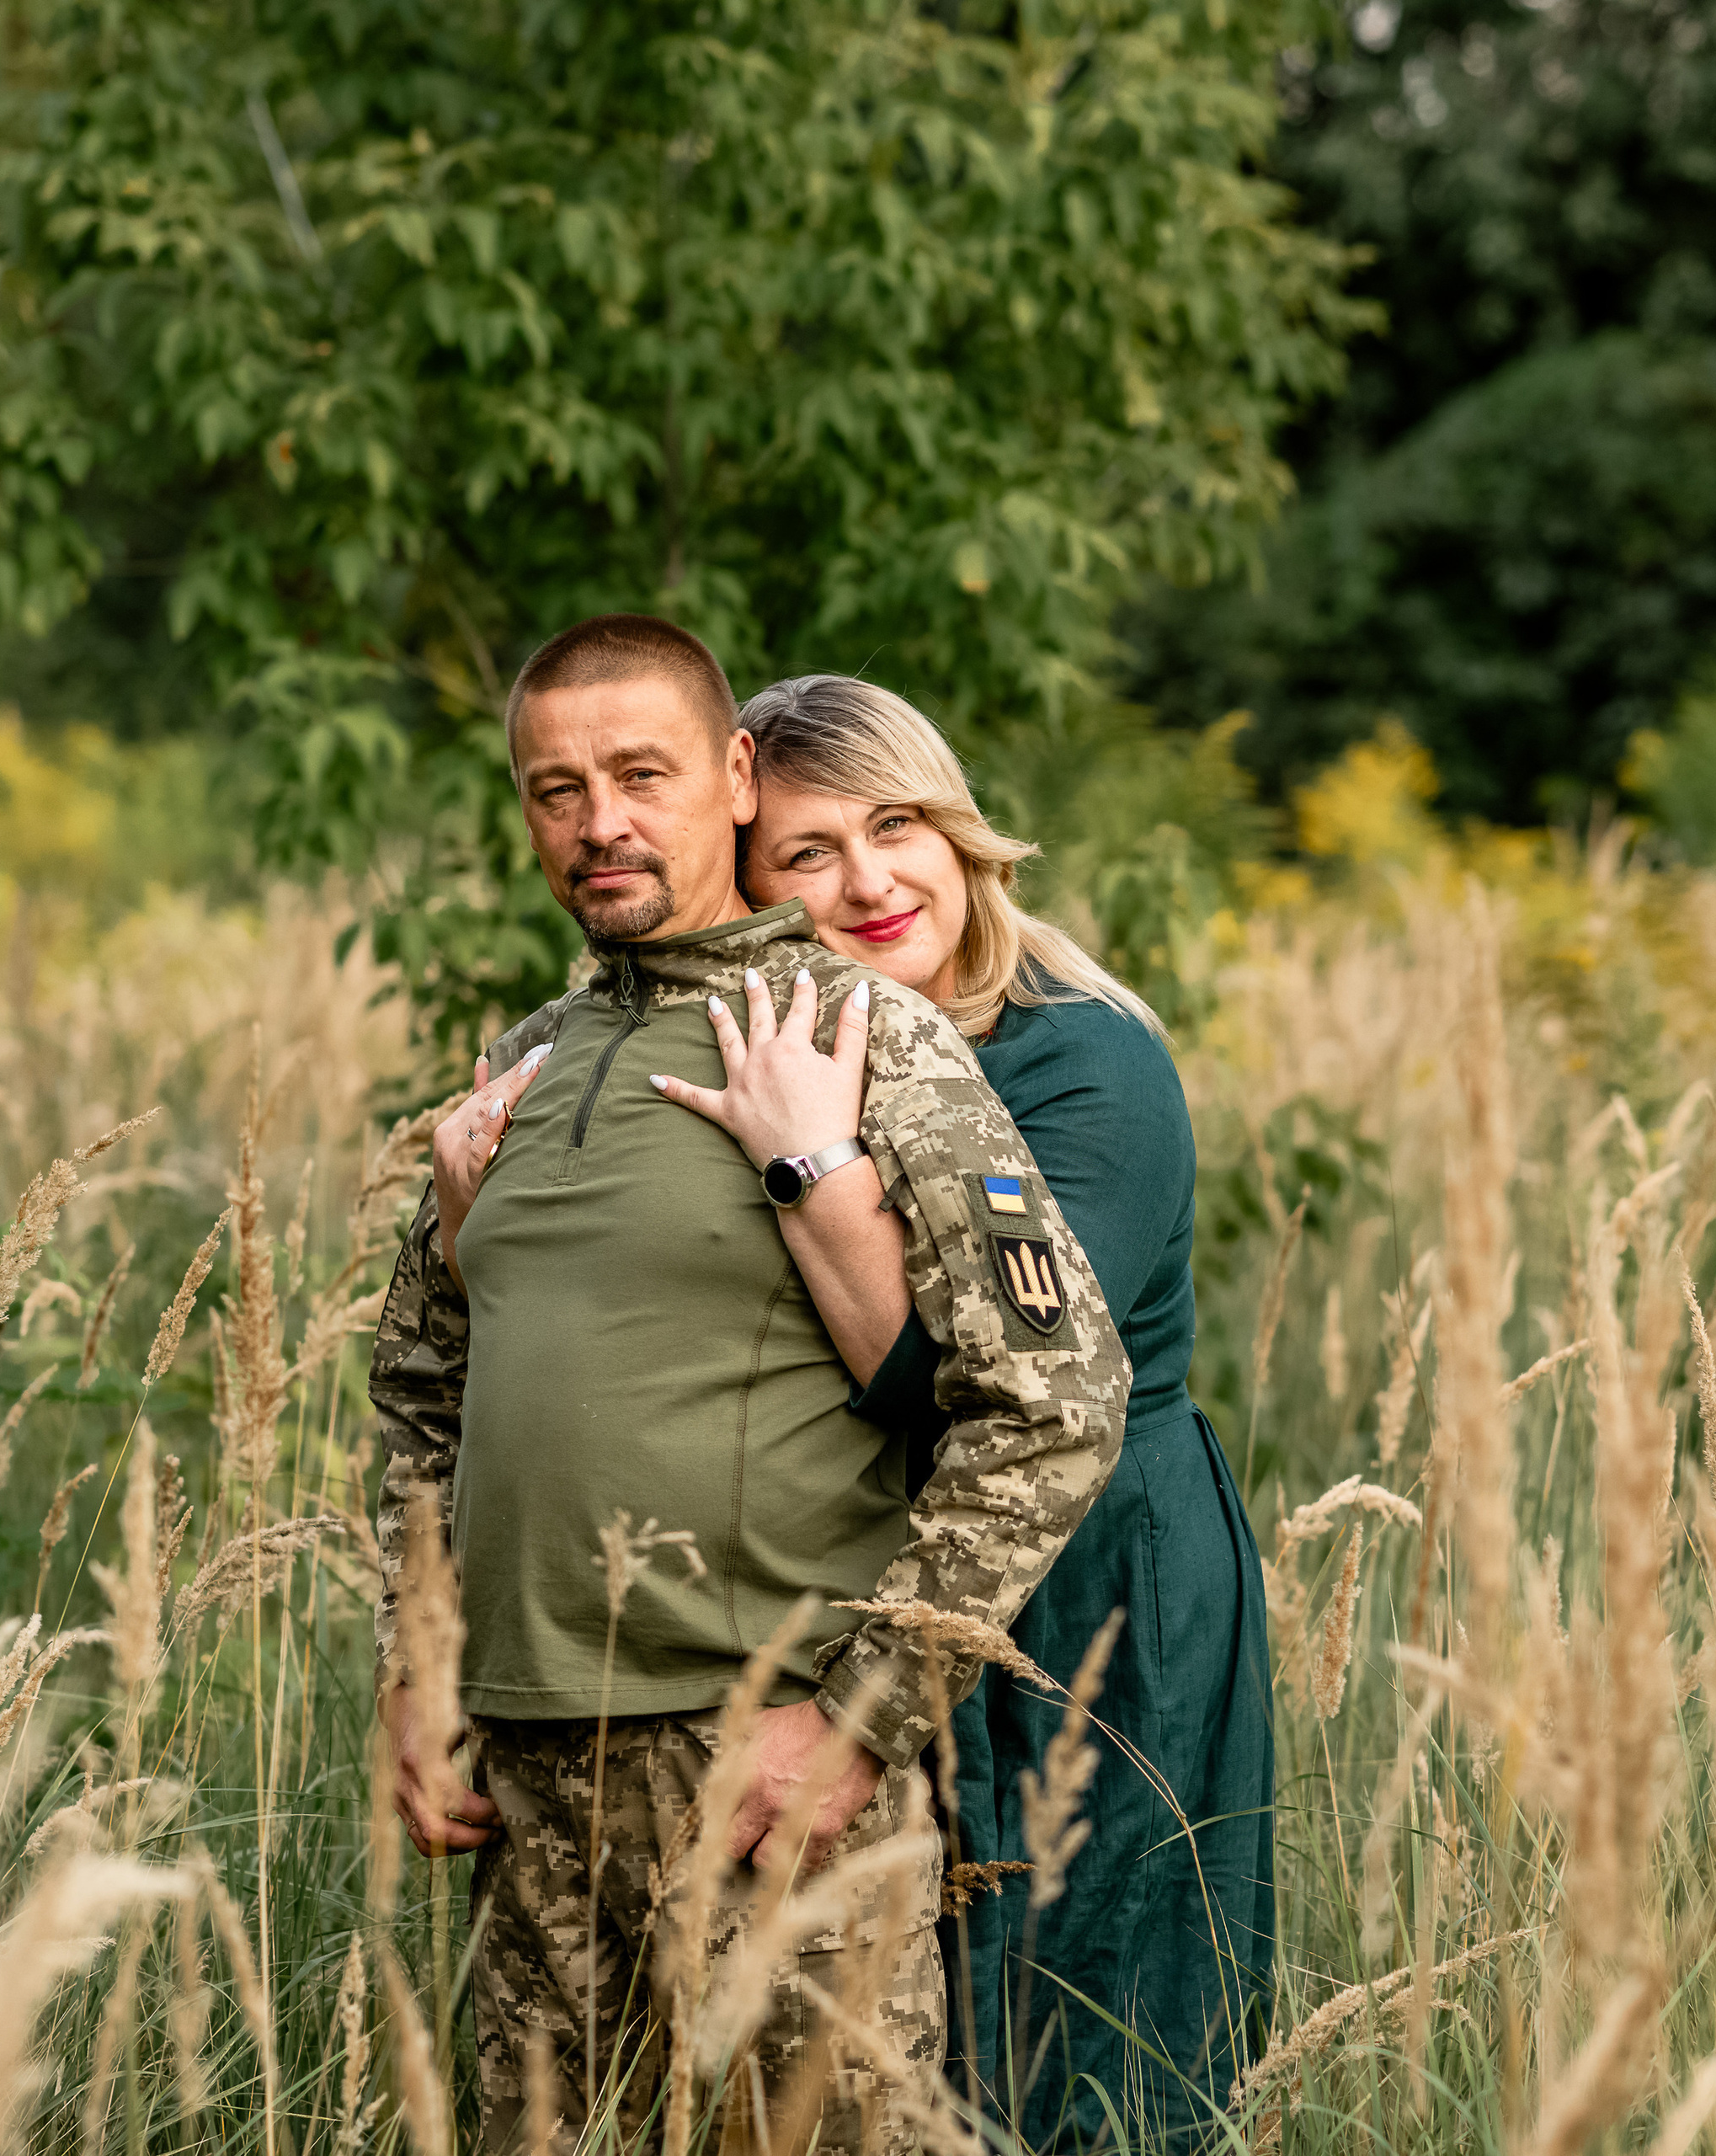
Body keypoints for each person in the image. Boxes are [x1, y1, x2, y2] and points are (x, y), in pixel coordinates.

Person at [365, 615, 1132, 2156]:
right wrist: (417, 1661)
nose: (601, 824)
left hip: (759, 1766)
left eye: (642, 775)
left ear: (730, 779)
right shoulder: (520, 1063)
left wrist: (862, 1719)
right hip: (530, 1787)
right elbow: (423, 1395)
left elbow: (1056, 1398)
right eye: (555, 789)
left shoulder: (865, 1034)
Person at [653, 674, 1274, 2139]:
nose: (868, 882)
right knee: (916, 2043)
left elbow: (957, 1384)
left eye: (897, 826)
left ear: (961, 833)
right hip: (897, 1579)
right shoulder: (787, 1047)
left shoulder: (1080, 1059)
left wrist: (810, 1170)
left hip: (1097, 1575)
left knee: (1091, 2024)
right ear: (748, 885)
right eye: (807, 854)